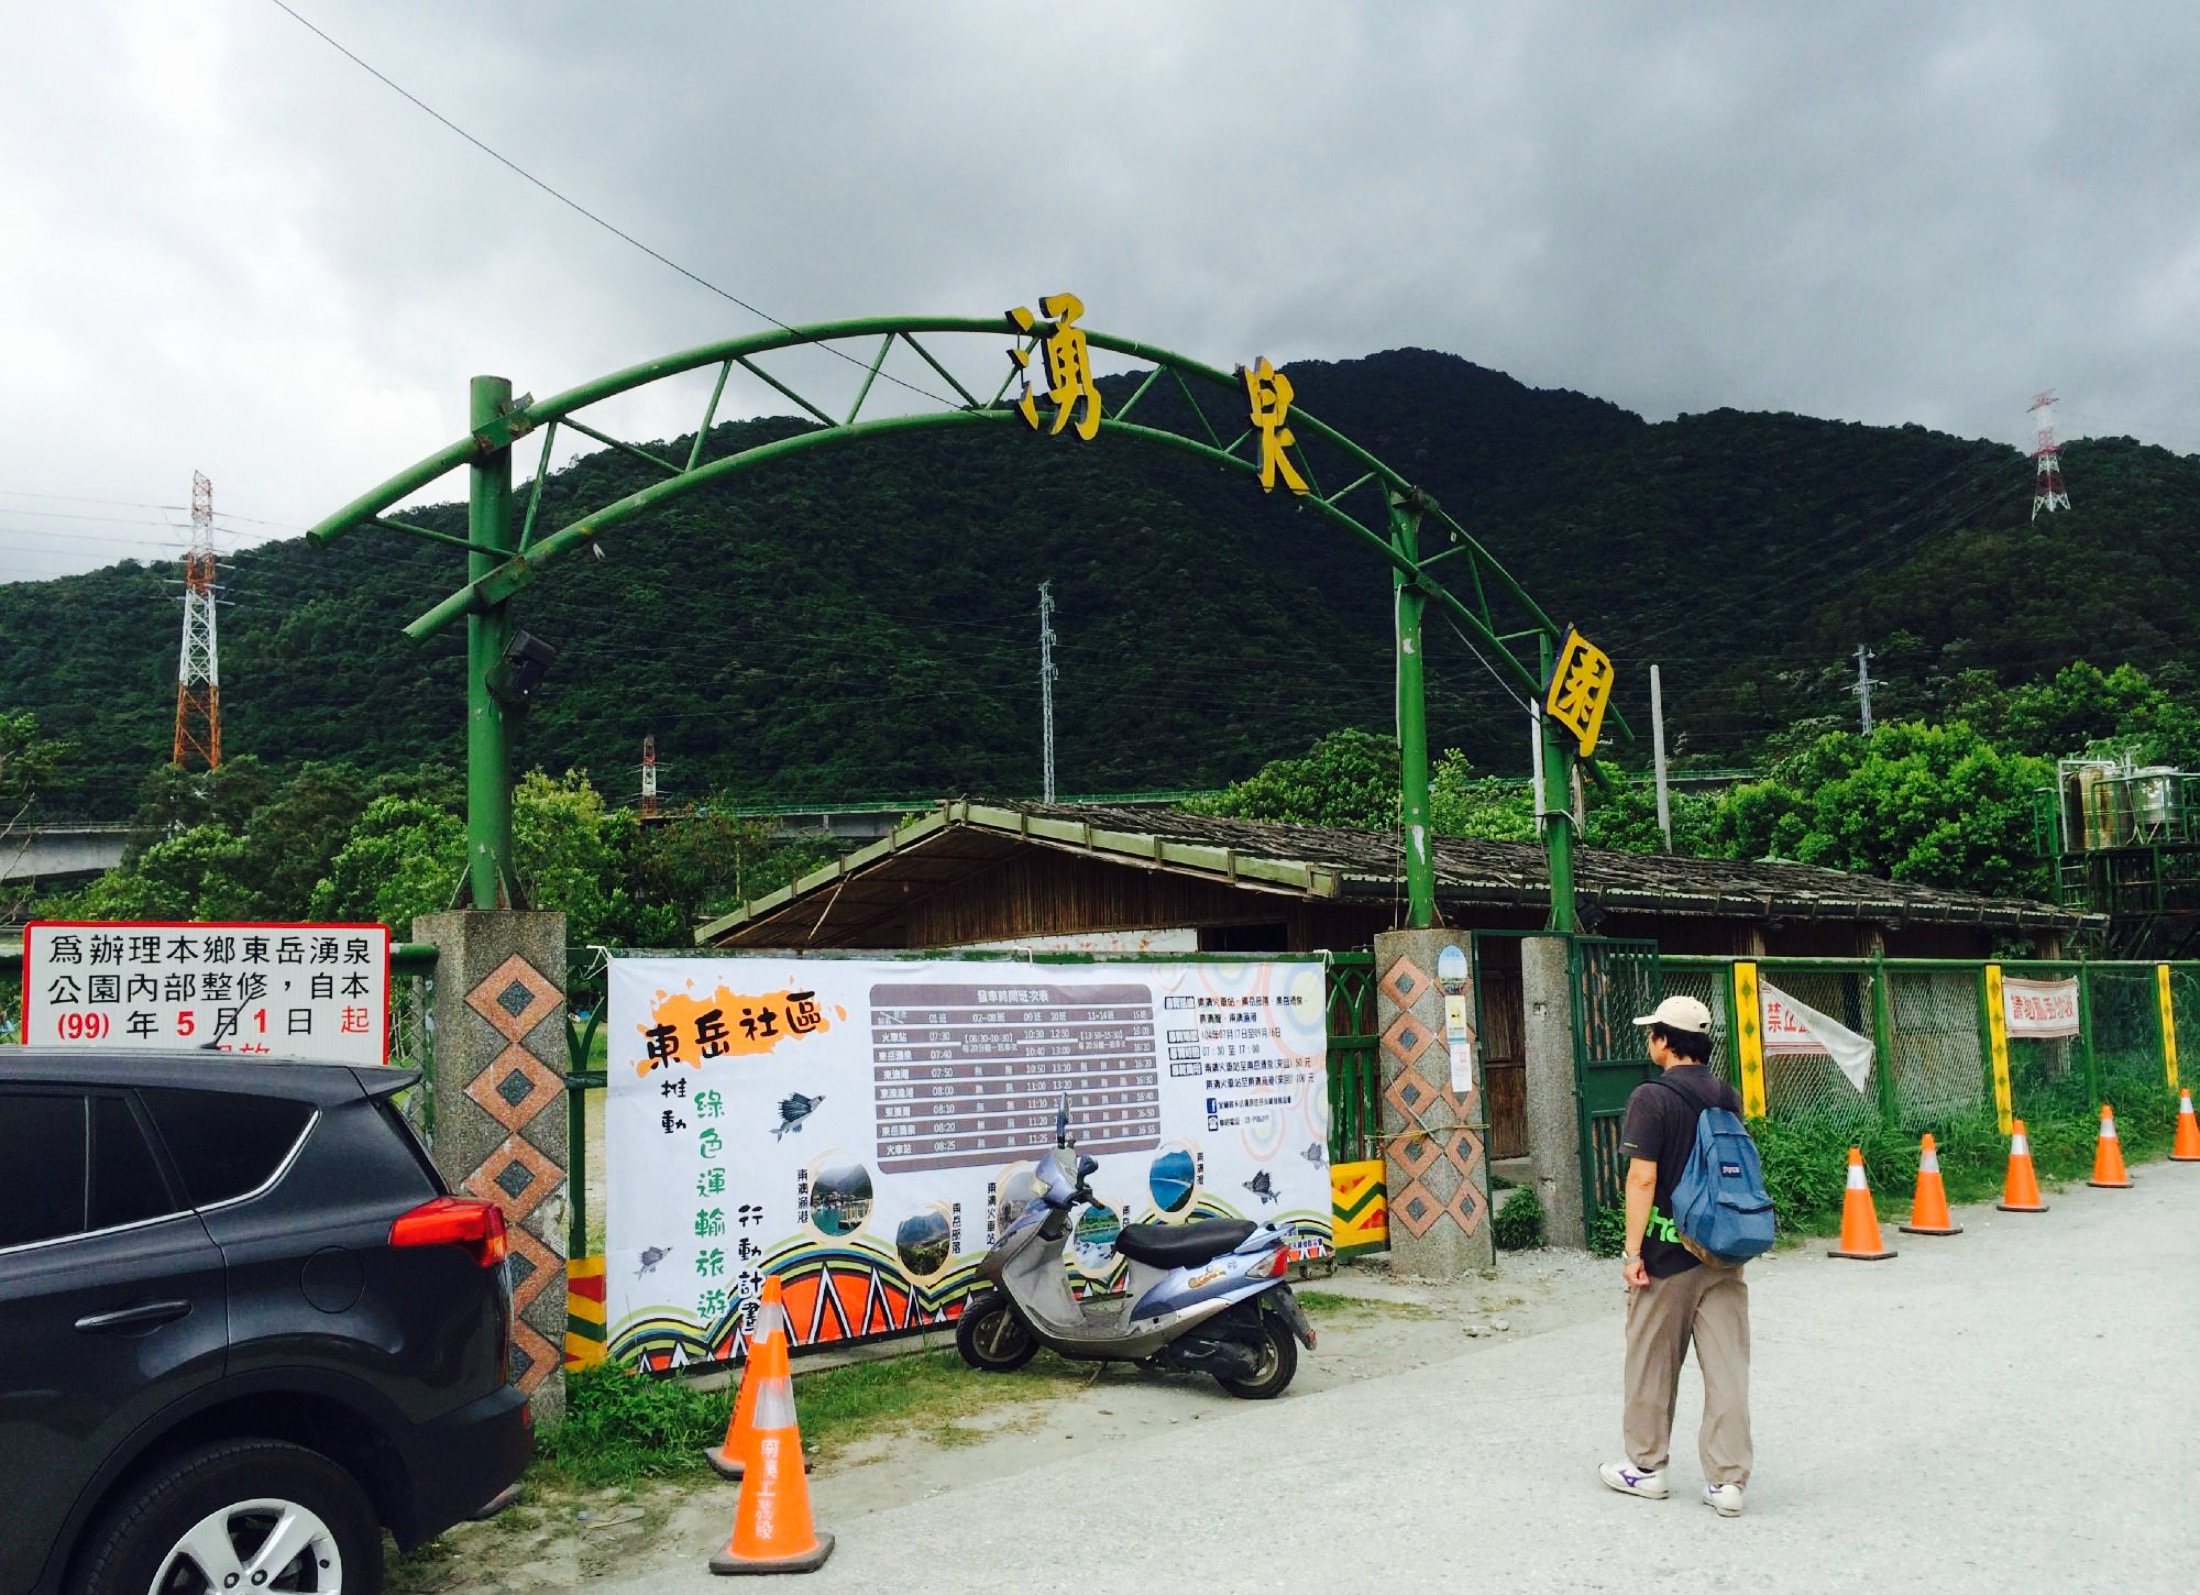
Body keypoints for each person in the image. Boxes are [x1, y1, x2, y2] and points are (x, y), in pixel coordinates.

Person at [1598, 994, 1752, 1518]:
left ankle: (1645, 1468)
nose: (1649, 1042)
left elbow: (1642, 1177)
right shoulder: (1727, 1096)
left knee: (1650, 1363)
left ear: (1665, 1040)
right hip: (1724, 1251)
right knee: (1727, 1368)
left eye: (1652, 1033)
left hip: (1668, 1254)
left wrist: (1632, 1251)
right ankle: (1728, 1482)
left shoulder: (1652, 1097)